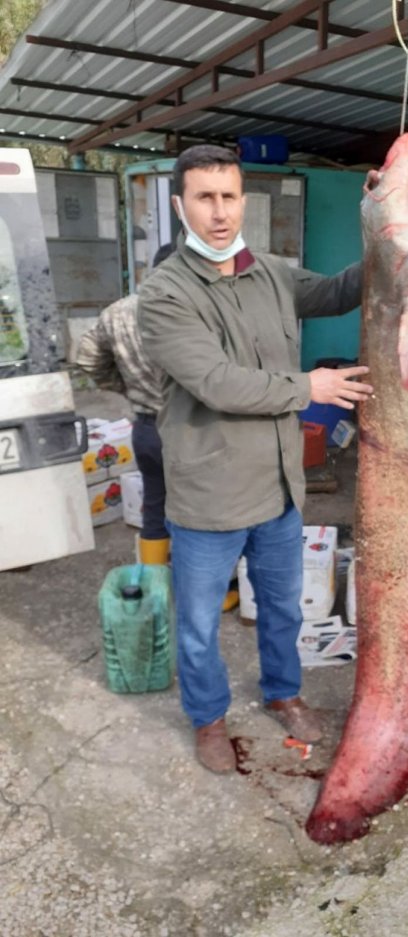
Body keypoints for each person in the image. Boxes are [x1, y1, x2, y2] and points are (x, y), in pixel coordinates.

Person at [137, 144, 373, 773]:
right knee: (197, 624)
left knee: (281, 605)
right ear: (181, 203)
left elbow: (335, 292)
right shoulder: (164, 295)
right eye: (205, 198)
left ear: (245, 199)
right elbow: (216, 382)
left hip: (278, 489)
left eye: (229, 196)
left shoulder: (269, 271)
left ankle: (283, 692)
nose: (219, 212)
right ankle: (209, 718)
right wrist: (310, 388)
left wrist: (385, 228)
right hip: (210, 493)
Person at [76, 244, 175, 565]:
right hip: (191, 428)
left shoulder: (117, 312)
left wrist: (122, 385)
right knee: (201, 515)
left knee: (155, 507)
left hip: (147, 427)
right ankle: (198, 593)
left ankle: (155, 586)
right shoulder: (192, 310)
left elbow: (87, 357)